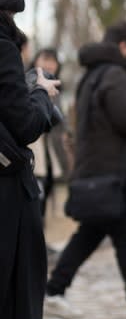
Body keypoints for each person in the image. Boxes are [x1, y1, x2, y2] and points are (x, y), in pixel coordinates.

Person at [44, 20, 126, 319]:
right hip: (118, 174)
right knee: (122, 235)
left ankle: (57, 289)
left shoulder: (92, 76)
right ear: (122, 46)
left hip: (104, 172)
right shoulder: (115, 76)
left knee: (100, 234)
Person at [0, 0, 83, 319]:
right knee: (21, 281)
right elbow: (25, 123)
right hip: (8, 190)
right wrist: (41, 94)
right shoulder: (2, 46)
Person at [28, 48, 73, 222]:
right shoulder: (30, 82)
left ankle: (41, 244)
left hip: (50, 154)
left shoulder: (58, 90)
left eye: (52, 60)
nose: (49, 64)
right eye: (45, 59)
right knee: (34, 204)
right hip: (34, 151)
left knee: (44, 199)